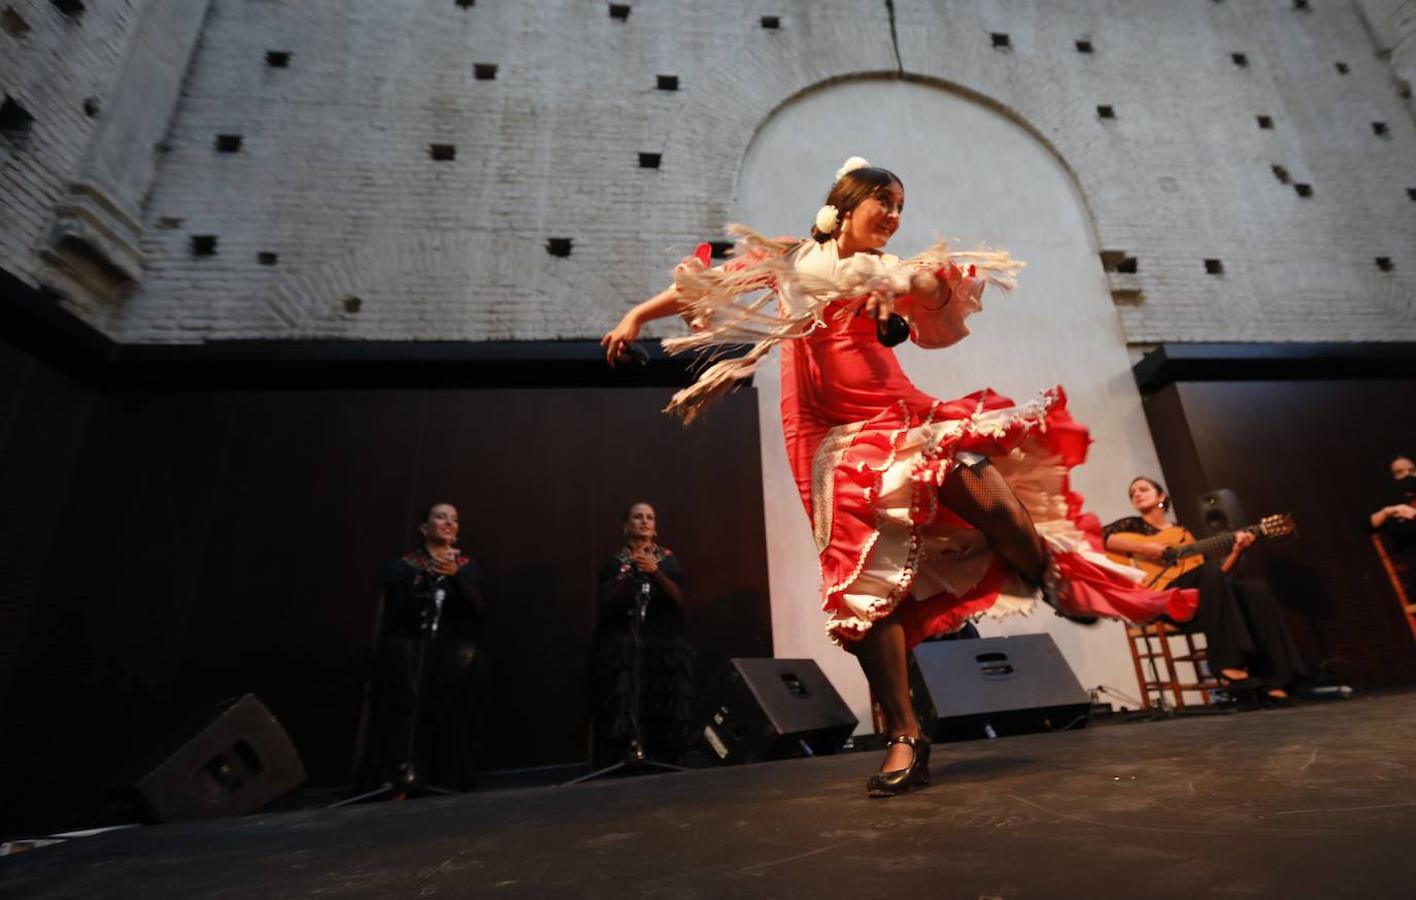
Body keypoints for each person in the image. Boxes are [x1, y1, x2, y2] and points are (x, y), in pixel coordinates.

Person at [601, 157, 1194, 797]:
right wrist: (637, 315)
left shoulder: (888, 271)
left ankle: (1041, 570)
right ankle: (906, 735)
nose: (893, 215)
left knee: (979, 484)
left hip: (896, 410)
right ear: (843, 205)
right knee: (865, 586)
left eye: (900, 206)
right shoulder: (793, 262)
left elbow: (936, 288)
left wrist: (915, 287)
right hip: (823, 436)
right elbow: (707, 286)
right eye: (883, 201)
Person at [1103, 477, 1306, 701]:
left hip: (1200, 600)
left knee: (1255, 590)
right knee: (1210, 572)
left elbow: (1217, 577)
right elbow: (1104, 538)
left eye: (1143, 489)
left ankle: (1278, 679)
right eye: (1133, 493)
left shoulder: (1182, 534)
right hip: (1162, 596)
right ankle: (1227, 662)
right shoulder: (1131, 525)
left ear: (1161, 497)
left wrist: (1237, 551)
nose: (1137, 494)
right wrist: (1147, 548)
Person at [358, 502, 485, 793]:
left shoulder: (465, 567)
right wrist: (426, 576)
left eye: (454, 519)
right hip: (410, 648)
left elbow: (477, 611)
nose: (449, 523)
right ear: (424, 527)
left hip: (448, 651)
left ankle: (444, 776)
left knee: (459, 674)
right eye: (441, 517)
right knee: (402, 668)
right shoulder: (404, 567)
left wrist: (455, 578)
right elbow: (395, 613)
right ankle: (399, 772)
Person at [591, 502, 694, 768]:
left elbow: (679, 600)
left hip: (663, 647)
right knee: (625, 700)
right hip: (626, 647)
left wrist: (655, 572)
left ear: (655, 528)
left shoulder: (667, 560)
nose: (644, 521)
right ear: (626, 526)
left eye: (650, 517)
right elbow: (606, 604)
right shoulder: (615, 564)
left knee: (665, 702)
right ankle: (626, 757)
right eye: (638, 517)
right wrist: (632, 573)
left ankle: (664, 758)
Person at [1368, 454, 1416, 592]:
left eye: (1412, 471)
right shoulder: (1391, 506)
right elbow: (1367, 525)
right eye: (1399, 473)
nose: (1407, 476)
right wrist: (1388, 511)